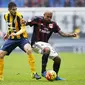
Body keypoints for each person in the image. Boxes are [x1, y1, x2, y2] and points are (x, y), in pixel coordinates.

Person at [22, 11, 77, 80]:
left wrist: (71, 35)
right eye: (47, 16)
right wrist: (24, 22)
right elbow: (26, 23)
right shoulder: (37, 19)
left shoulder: (53, 24)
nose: (49, 18)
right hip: (36, 43)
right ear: (44, 15)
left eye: (50, 17)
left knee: (57, 59)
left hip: (45, 44)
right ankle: (43, 71)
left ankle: (56, 76)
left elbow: (62, 33)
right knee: (47, 49)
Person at [0, 2, 41, 81]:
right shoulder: (6, 16)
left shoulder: (19, 16)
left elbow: (23, 29)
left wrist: (16, 34)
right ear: (9, 9)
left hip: (22, 38)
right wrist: (8, 34)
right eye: (13, 10)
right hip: (12, 39)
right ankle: (0, 76)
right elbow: (11, 27)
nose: (15, 11)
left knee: (29, 50)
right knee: (1, 54)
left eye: (16, 9)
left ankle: (34, 73)